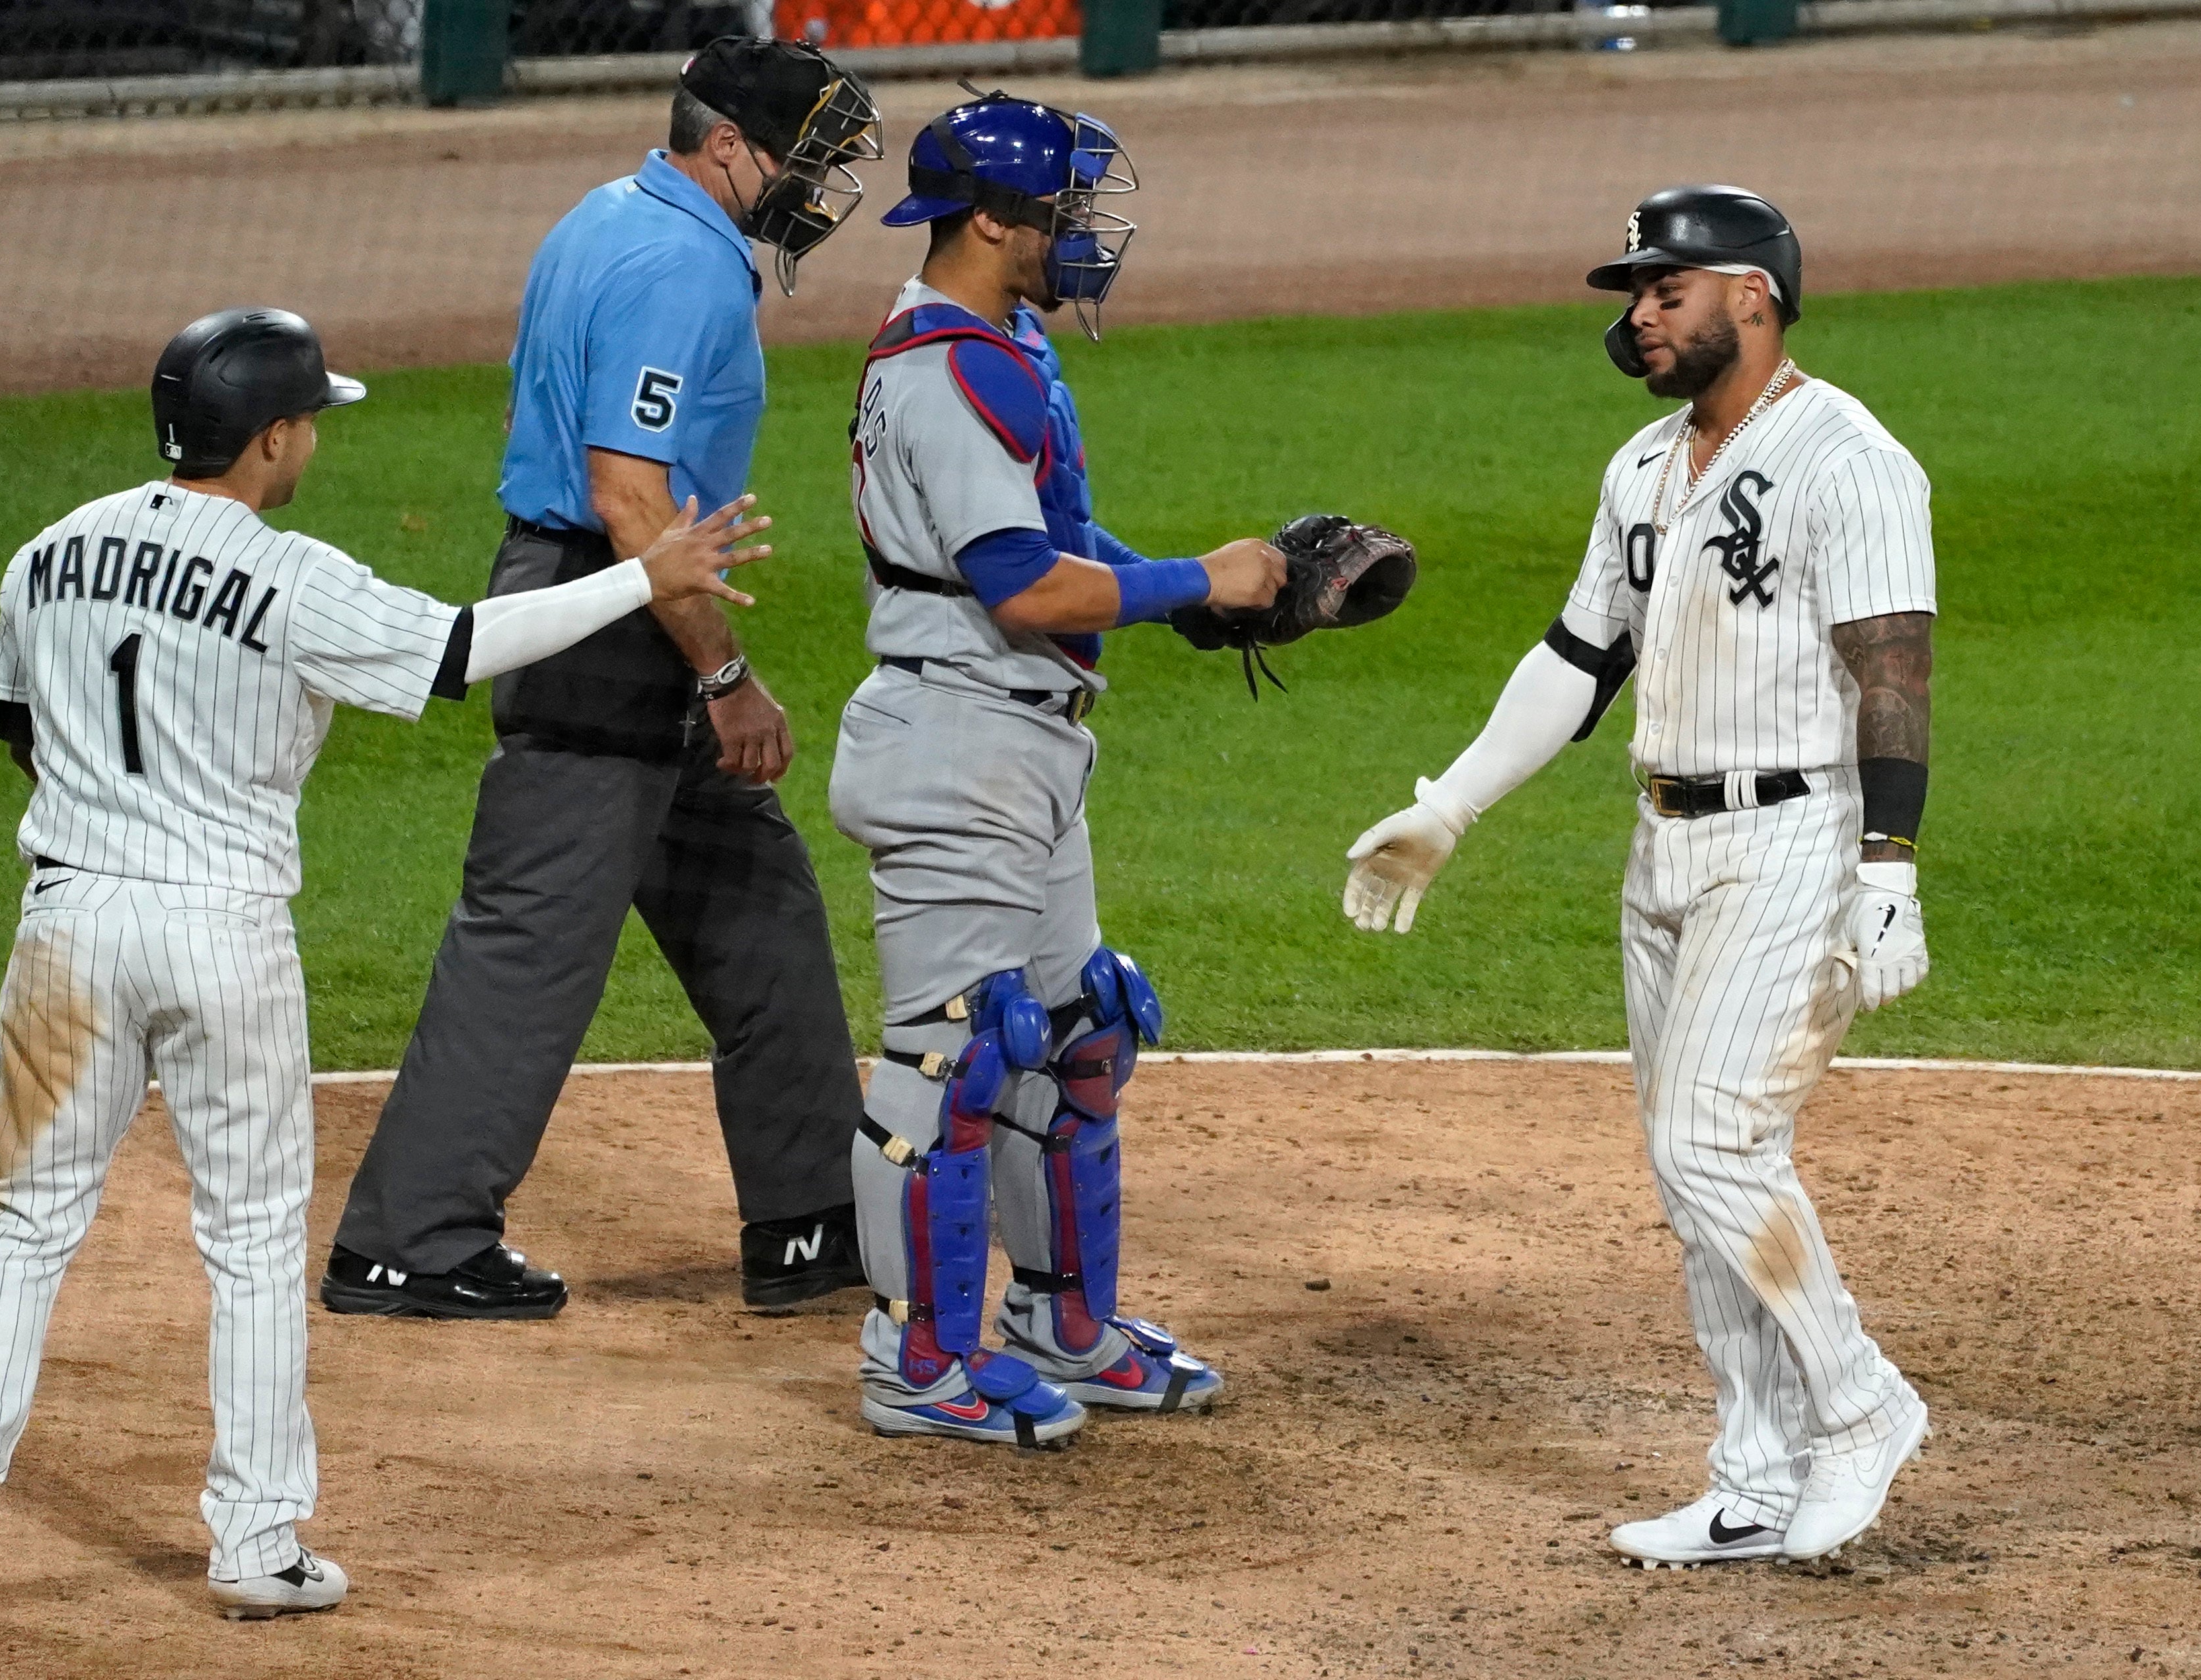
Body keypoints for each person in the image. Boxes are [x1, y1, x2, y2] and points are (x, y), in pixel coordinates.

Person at [0, 307, 769, 1616]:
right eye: (311, 424)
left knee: (22, 1221)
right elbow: (465, 648)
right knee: (247, 1237)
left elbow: (22, 720)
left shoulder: (47, 550)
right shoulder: (292, 577)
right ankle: (255, 1543)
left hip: (66, 921)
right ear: (274, 436)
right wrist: (649, 575)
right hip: (221, 928)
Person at [1343, 185, 1936, 1567]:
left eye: (1663, 291)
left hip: (1789, 838)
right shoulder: (1640, 469)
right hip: (1661, 842)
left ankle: (1860, 1404)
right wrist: (1446, 805)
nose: (1637, 316)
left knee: (1711, 1141)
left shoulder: (1847, 461)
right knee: (1695, 1183)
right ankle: (1752, 1470)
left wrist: (1888, 865)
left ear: (1752, 295)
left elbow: (1891, 668)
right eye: (1633, 295)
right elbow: (1573, 658)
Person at [321, 38, 886, 1321]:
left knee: (758, 908)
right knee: (530, 943)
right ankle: (407, 1237)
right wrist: (725, 674)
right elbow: (626, 493)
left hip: (613, 603)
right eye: (803, 155)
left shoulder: (608, 212)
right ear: (729, 147)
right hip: (603, 617)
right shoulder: (678, 267)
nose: (817, 184)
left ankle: (809, 1216)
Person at [829, 93, 1288, 1448]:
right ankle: (913, 1358)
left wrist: (1189, 601)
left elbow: (1059, 546)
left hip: (1020, 739)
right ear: (990, 221)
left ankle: (1061, 1325)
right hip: (956, 742)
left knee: (1077, 1036)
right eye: (1064, 212)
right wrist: (1200, 576)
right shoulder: (949, 371)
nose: (1085, 236)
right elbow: (1020, 583)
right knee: (951, 1066)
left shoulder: (1000, 340)